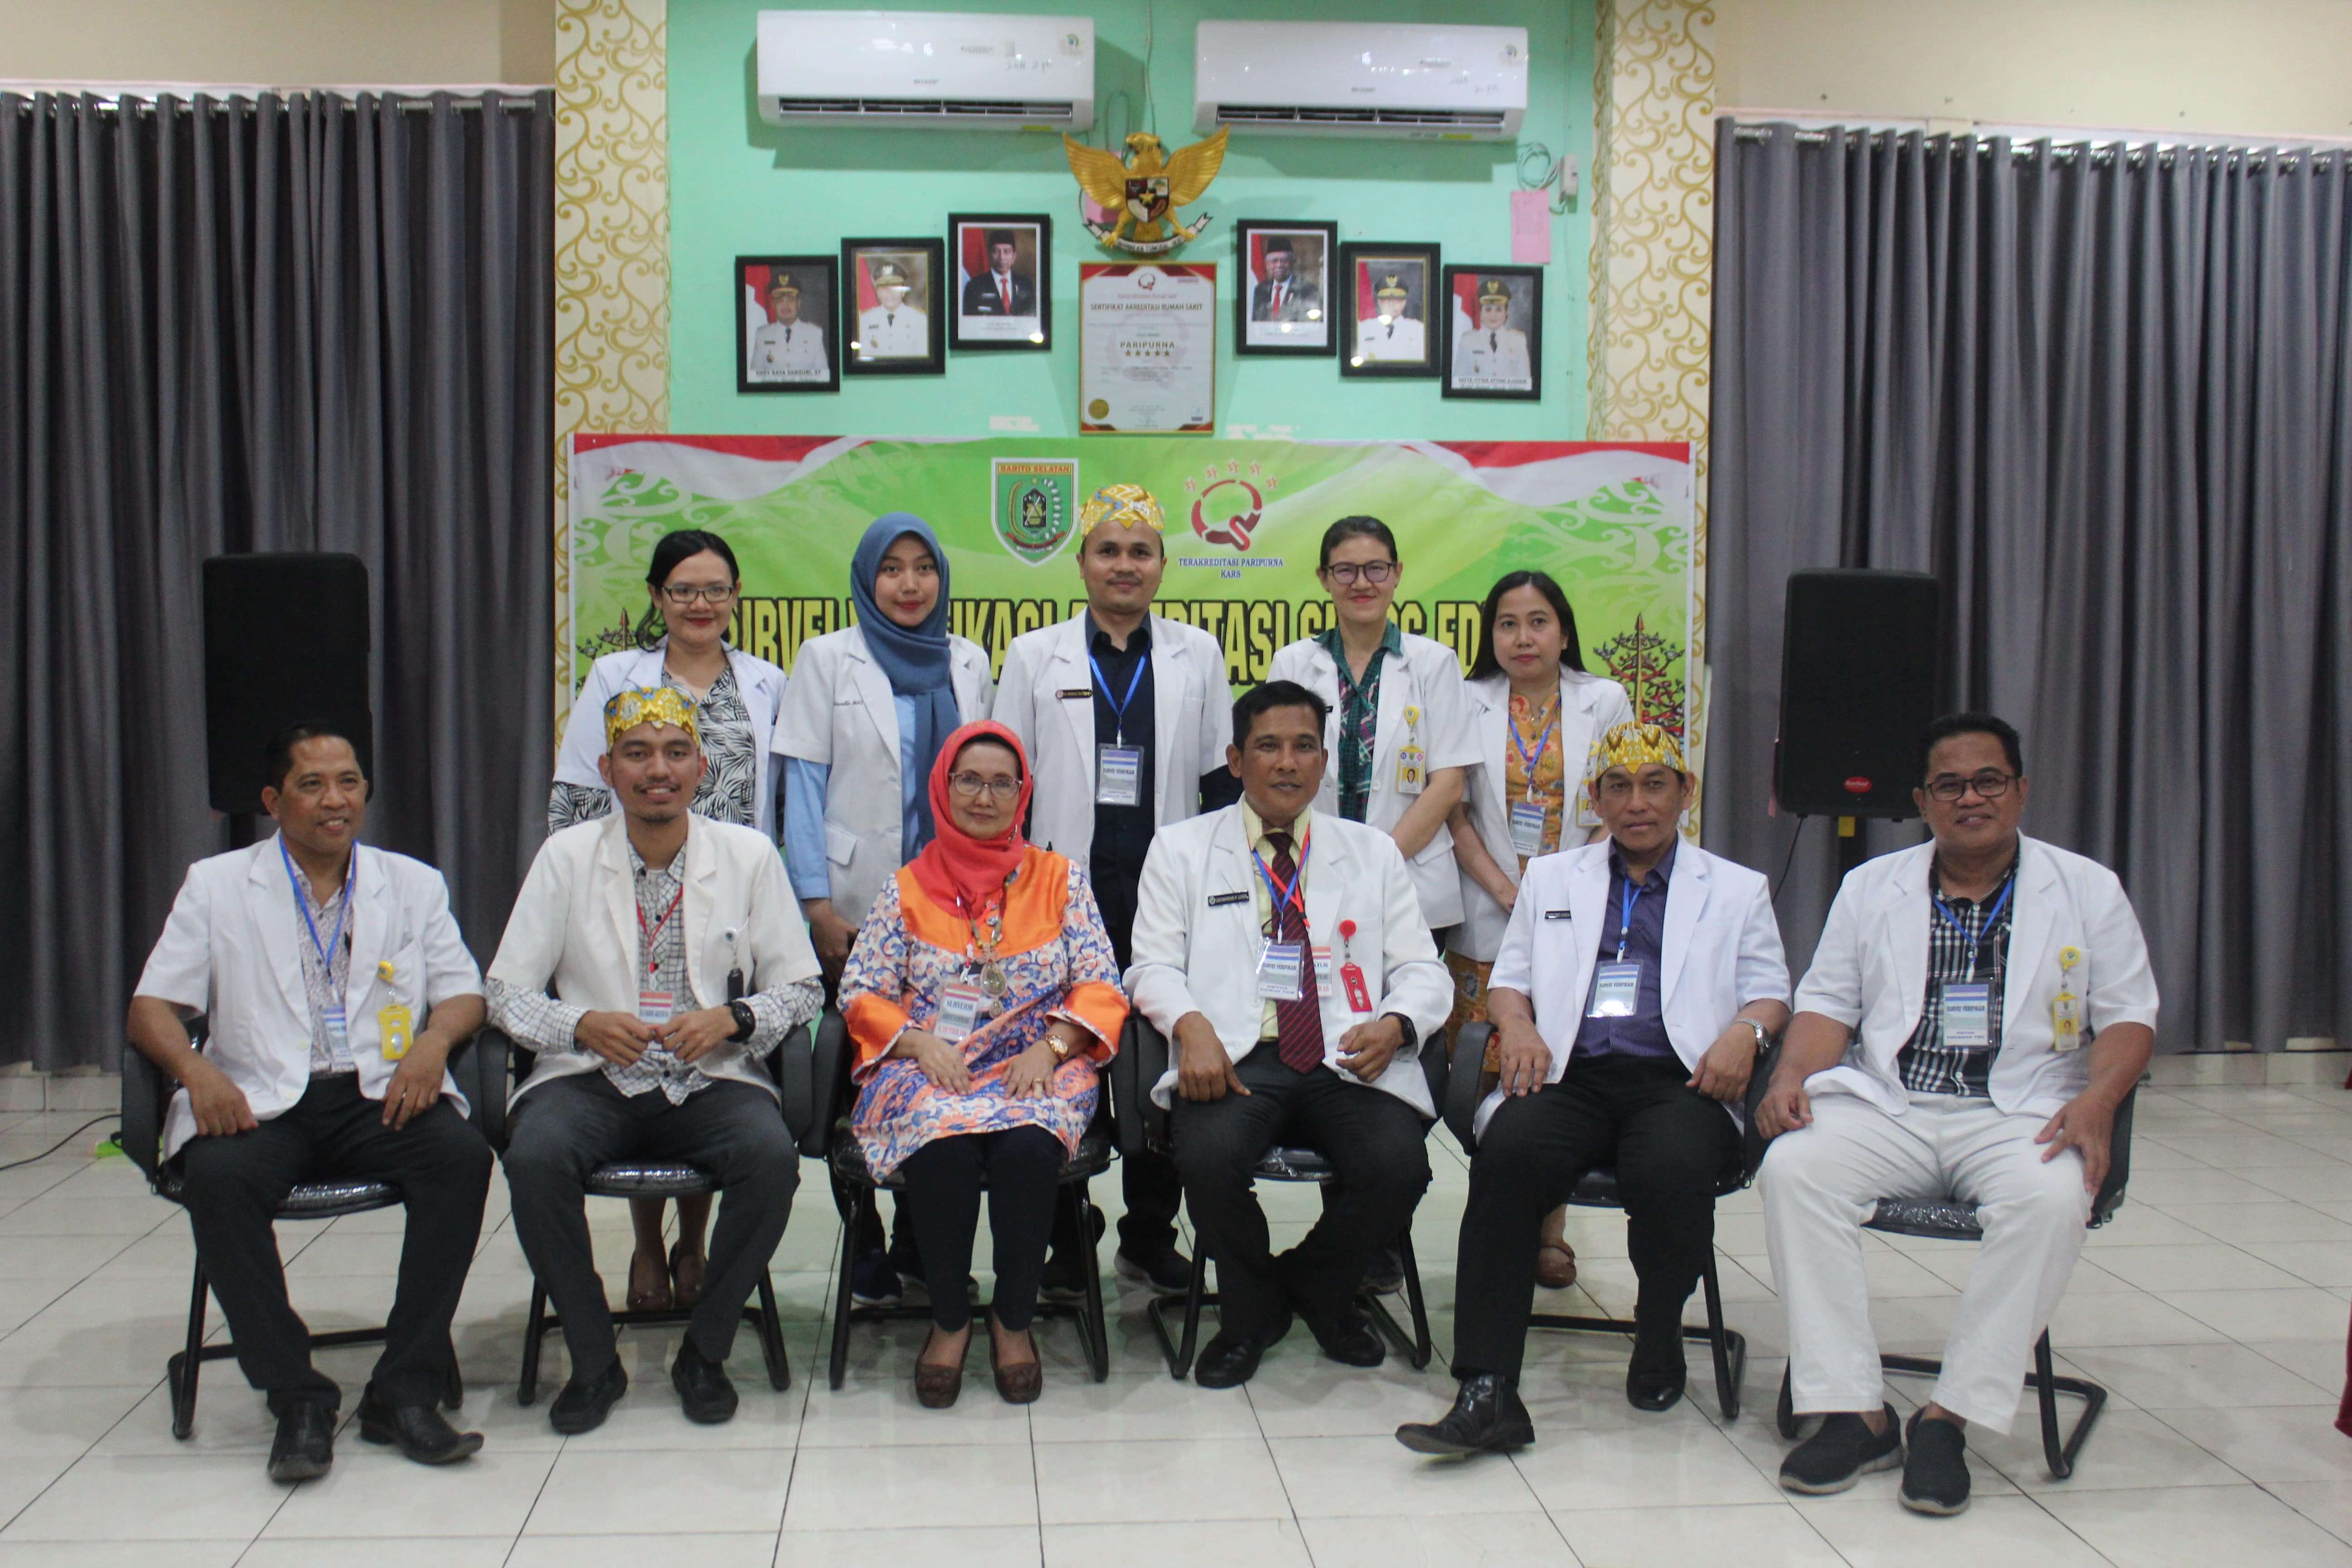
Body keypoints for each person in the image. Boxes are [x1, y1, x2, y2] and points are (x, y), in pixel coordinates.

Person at [1757, 713, 2157, 1516]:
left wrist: (2096, 1102)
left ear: (2020, 790)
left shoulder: (2085, 889)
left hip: (2022, 1110)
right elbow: (1827, 1004)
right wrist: (1791, 1075)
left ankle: (1948, 1419)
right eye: (1948, 785)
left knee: (2051, 1198)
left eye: (1987, 781)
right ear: (1920, 801)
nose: (1969, 798)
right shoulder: (1872, 888)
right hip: (1893, 1103)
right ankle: (1855, 1412)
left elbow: (2128, 1016)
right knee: (1793, 1168)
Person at [1396, 721, 1789, 1455]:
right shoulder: (1553, 878)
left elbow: (1771, 991)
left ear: (1685, 792)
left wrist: (1747, 1033)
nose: (1636, 803)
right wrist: (1516, 1025)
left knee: (1669, 1166)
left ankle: (1658, 1330)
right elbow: (1510, 979)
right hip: (1569, 1075)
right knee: (1507, 1156)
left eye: (1654, 785)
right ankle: (1486, 1387)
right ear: (1597, 800)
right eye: (1618, 787)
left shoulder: (1736, 890)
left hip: (1680, 1080)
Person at [127, 724, 490, 1483]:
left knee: (459, 1158)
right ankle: (296, 1396)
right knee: (218, 1179)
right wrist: (195, 1071)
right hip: (260, 1097)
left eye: (349, 782)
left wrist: (433, 1044)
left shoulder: (411, 883)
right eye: (312, 785)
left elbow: (463, 992)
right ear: (273, 800)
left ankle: (405, 1389)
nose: (335, 800)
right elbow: (151, 1008)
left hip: (373, 1091)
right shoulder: (218, 884)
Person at [489, 688, 823, 1435]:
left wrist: (734, 1019)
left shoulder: (747, 856)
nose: (657, 771)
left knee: (770, 1160)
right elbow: (503, 993)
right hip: (591, 1078)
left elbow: (803, 988)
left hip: (710, 1076)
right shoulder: (567, 857)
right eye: (636, 754)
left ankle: (705, 1350)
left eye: (675, 753)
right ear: (608, 768)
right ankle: (591, 1357)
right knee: (534, 1158)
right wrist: (579, 1024)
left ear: (701, 766)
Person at [1127, 682, 1452, 1388]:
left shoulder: (1371, 852)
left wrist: (1396, 1023)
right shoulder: (1181, 849)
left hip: (1345, 1057)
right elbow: (1150, 965)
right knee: (1208, 1161)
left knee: (1399, 1167)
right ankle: (1250, 1318)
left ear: (1324, 760)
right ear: (1235, 760)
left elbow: (1424, 970)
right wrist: (1191, 1026)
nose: (1287, 762)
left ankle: (1313, 1288)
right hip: (1236, 1056)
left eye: (1304, 746)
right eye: (1268, 746)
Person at [991, 483, 1237, 1297]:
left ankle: (1148, 1234)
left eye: (1139, 551)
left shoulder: (1198, 654)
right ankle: (1067, 1237)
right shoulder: (1034, 656)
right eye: (1108, 550)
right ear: (1082, 562)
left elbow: (1219, 785)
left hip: (1167, 895)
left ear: (1161, 564)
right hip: (1063, 895)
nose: (1123, 565)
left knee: (1158, 1061)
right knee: (1064, 1061)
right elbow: (1005, 784)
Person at [839, 722, 1128, 1406]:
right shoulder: (905, 887)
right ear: (944, 787)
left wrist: (1051, 1047)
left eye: (1003, 783)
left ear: (1023, 794)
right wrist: (918, 1044)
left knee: (1028, 1147)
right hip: (931, 1062)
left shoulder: (1061, 880)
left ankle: (1013, 1319)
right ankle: (949, 1320)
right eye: (969, 780)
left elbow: (1101, 982)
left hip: (1042, 1060)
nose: (984, 797)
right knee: (941, 1143)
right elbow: (861, 991)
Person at [551, 529, 789, 1321]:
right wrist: (579, 885)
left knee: (708, 1058)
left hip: (730, 898)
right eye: (683, 589)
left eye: (716, 589)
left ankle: (696, 1241)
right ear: (657, 597)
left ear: (735, 596)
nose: (700, 604)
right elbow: (576, 790)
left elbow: (780, 794)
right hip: (630, 890)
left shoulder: (767, 682)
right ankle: (649, 1244)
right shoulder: (616, 675)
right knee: (640, 1044)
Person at [777, 513, 994, 1303]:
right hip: (857, 899)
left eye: (923, 568)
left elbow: (982, 781)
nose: (909, 584)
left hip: (950, 906)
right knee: (856, 1066)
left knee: (942, 1058)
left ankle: (917, 1238)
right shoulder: (826, 658)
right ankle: (864, 1231)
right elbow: (802, 788)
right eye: (891, 568)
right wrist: (814, 903)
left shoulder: (967, 660)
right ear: (868, 579)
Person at [1446, 570, 1635, 1291]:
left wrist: (1562, 891)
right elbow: (1454, 811)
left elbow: (1620, 801)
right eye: (1507, 624)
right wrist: (1509, 890)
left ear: (1563, 631)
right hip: (1487, 905)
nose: (1522, 638)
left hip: (1580, 909)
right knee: (1486, 1070)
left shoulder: (1603, 699)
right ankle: (1499, 1221)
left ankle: (1549, 1232)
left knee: (1555, 1069)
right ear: (1490, 635)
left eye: (1538, 622)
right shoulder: (1465, 699)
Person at [1268, 515, 1475, 951]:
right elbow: (1276, 773)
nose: (1362, 583)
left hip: (1412, 878)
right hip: (1312, 873)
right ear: (1324, 578)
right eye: (1345, 570)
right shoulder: (1293, 664)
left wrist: (1375, 863)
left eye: (1376, 569)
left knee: (1408, 992)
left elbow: (1449, 784)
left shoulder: (1435, 663)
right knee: (1320, 991)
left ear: (1397, 573)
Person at [1451, 277, 1532, 389]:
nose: (1493, 316)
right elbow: (1458, 383)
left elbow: (1525, 384)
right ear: (1480, 313)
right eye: (1488, 310)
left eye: (1499, 310)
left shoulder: (1518, 341)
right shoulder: (1467, 341)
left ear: (1506, 313)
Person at [748, 272, 828, 383]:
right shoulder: (762, 336)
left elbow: (823, 378)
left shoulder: (815, 335)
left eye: (791, 300)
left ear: (798, 303)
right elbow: (755, 380)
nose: (786, 306)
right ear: (773, 305)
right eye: (780, 301)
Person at [857, 260, 930, 359]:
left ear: (903, 292)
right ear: (877, 292)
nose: (890, 293)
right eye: (885, 289)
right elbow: (862, 356)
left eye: (895, 288)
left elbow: (923, 356)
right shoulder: (865, 320)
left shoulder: (919, 319)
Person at [960, 230, 1036, 319]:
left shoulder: (1026, 285)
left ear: (1014, 256)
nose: (1002, 257)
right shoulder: (974, 287)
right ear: (989, 255)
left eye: (1007, 252)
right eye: (996, 251)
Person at [1353, 273, 1425, 363]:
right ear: (1380, 302)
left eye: (1397, 300)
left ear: (1404, 303)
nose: (1392, 304)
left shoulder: (1418, 330)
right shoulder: (1363, 329)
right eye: (1387, 300)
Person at [1250, 237, 1321, 324]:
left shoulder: (1308, 290)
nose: (1279, 265)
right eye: (1274, 261)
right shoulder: (1260, 290)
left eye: (1284, 261)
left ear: (1292, 263)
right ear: (1267, 264)